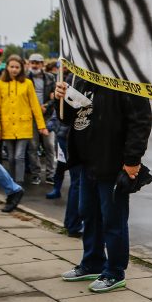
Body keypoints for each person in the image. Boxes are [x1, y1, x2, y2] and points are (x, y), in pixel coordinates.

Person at [54, 76, 152, 292]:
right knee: (88, 214)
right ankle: (92, 262)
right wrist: (59, 98)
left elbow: (141, 121)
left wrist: (132, 160)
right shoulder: (81, 77)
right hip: (86, 162)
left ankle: (115, 272)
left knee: (113, 220)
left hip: (112, 163)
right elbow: (67, 118)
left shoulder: (126, 77)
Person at [0, 55, 48, 185]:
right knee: (11, 158)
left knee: (19, 156)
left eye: (17, 67)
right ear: (7, 67)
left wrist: (41, 126)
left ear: (22, 68)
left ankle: (19, 183)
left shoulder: (27, 83)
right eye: (12, 67)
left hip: (24, 126)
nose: (14, 70)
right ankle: (11, 182)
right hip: (7, 126)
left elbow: (35, 106)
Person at [46, 71, 83, 238]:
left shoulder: (71, 76)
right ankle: (73, 224)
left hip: (66, 134)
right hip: (69, 135)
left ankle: (71, 222)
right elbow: (66, 110)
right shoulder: (74, 77)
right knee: (78, 181)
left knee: (76, 180)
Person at [27, 53, 57, 185]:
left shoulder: (51, 77)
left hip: (47, 116)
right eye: (32, 62)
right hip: (31, 117)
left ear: (42, 64)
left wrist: (47, 105)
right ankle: (36, 174)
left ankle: (50, 174)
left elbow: (56, 96)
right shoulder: (25, 78)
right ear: (29, 63)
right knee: (33, 147)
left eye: (37, 62)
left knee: (49, 146)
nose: (35, 65)